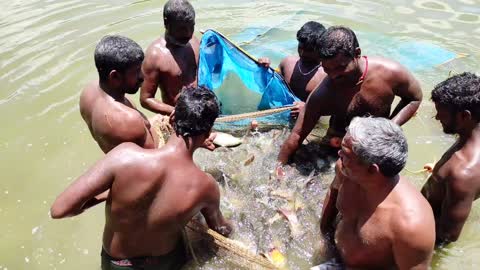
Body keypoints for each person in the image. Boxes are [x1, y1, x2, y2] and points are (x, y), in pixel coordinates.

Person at [51, 86, 232, 270]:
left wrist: (110, 194)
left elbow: (59, 210)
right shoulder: (206, 186)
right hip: (166, 262)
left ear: (172, 118)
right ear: (208, 133)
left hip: (118, 264)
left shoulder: (125, 156)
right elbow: (221, 229)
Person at [277, 26, 423, 164]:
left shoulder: (390, 73)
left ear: (357, 54)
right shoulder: (323, 93)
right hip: (336, 142)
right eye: (327, 69)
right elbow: (296, 135)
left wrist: (389, 127)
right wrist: (279, 168)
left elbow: (414, 98)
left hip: (375, 143)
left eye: (341, 67)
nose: (333, 75)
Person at [320, 117, 435, 269]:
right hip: (336, 257)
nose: (339, 154)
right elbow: (332, 194)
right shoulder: (345, 171)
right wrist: (324, 239)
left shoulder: (411, 225)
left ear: (372, 169)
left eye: (346, 154)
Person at [421, 72, 480, 245]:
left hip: (426, 230)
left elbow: (447, 235)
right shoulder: (469, 137)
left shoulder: (462, 173)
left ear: (465, 116)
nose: (437, 117)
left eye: (442, 113)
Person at [80, 35, 158, 153]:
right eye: (136, 71)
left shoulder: (87, 93)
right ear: (115, 76)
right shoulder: (128, 119)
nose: (142, 76)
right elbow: (155, 159)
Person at [140, 0, 199, 115]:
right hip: (181, 118)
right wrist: (177, 112)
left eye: (191, 26)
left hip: (203, 108)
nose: (188, 33)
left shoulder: (195, 41)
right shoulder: (154, 56)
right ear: (166, 23)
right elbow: (145, 99)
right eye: (182, 29)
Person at [258, 21, 327, 118]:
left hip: (307, 122)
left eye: (309, 50)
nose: (303, 53)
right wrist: (264, 70)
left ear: (321, 48)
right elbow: (269, 87)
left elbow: (335, 106)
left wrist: (307, 109)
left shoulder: (327, 74)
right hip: (278, 116)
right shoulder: (287, 63)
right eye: (300, 47)